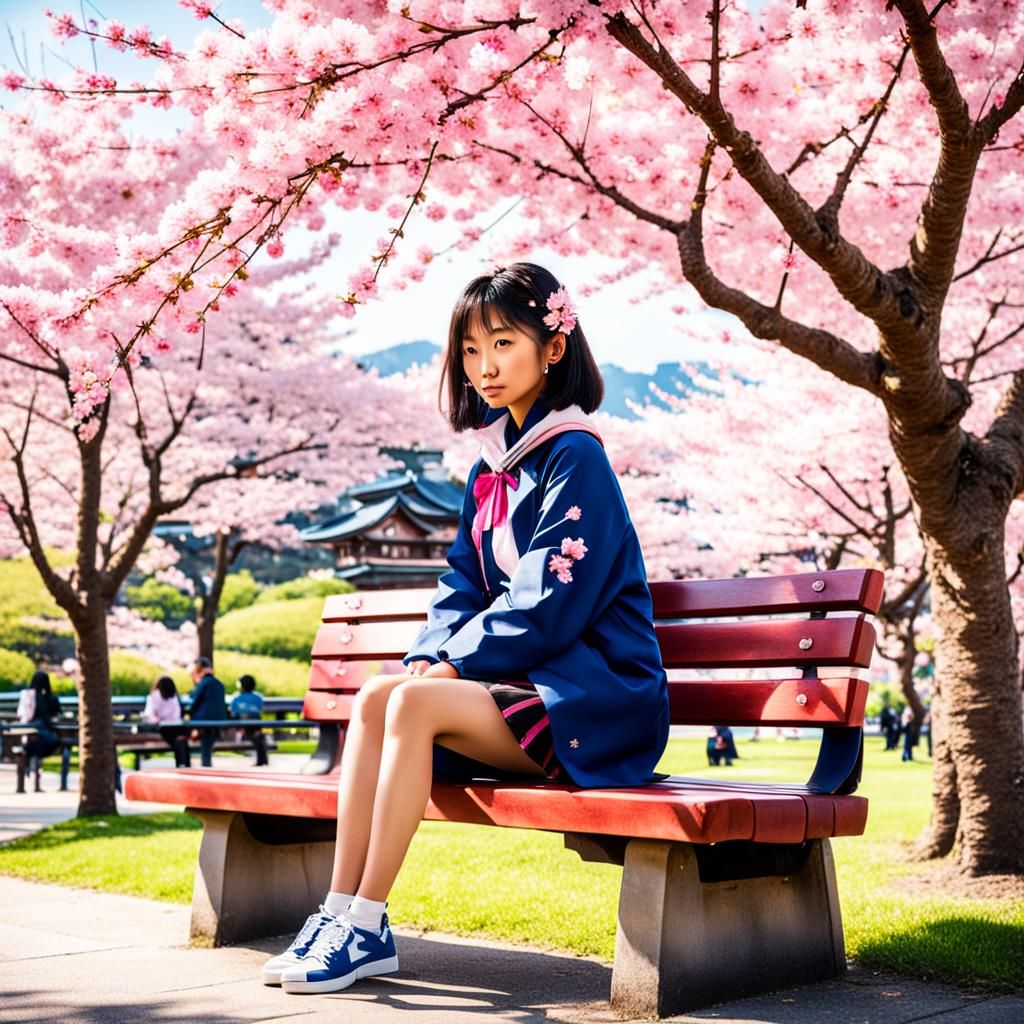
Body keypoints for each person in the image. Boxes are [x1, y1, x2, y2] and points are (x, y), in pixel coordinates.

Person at [262, 262, 670, 995]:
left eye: (503, 344)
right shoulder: (491, 467)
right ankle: (339, 910)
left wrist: (453, 667)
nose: (484, 367)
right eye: (471, 350)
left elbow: (551, 599)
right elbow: (462, 582)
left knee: (412, 702)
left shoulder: (575, 458)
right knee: (382, 696)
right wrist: (430, 654)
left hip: (595, 698)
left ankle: (364, 922)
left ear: (553, 348)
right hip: (527, 688)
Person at [16, 670, 62, 791]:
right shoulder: (51, 698)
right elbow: (57, 716)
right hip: (45, 738)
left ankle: (28, 764)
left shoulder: (27, 696)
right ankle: (34, 777)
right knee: (46, 747)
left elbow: (21, 715)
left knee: (31, 749)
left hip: (30, 736)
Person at [186, 656, 226, 768]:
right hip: (219, 719)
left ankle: (204, 763)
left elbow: (193, 700)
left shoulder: (204, 683)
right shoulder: (219, 683)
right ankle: (206, 762)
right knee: (208, 739)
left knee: (204, 738)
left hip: (204, 719)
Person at [141, 675, 188, 767]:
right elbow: (176, 716)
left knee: (179, 739)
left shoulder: (153, 697)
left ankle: (182, 764)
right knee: (180, 739)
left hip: (164, 726)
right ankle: (184, 764)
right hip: (171, 726)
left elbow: (149, 714)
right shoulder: (173, 697)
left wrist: (159, 720)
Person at [230, 674, 269, 767]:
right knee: (258, 736)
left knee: (251, 731)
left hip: (241, 725)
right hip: (255, 726)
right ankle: (263, 759)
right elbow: (260, 709)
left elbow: (233, 713)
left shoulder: (237, 698)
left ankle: (243, 736)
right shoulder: (258, 697)